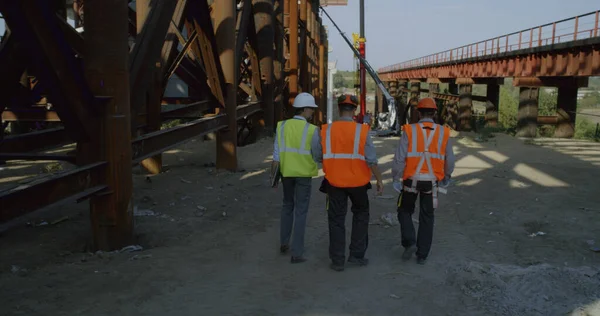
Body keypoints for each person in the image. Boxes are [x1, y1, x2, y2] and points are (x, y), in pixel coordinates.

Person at [314, 94, 384, 272]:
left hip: (334, 182)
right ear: (354, 111)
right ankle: (356, 255)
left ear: (339, 109)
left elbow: (316, 155)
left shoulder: (325, 130)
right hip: (359, 183)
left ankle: (338, 260)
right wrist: (379, 179)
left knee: (336, 220)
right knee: (361, 215)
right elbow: (371, 160)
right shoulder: (363, 130)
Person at [391, 97, 455, 265]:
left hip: (411, 180)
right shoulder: (444, 132)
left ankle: (410, 242)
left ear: (418, 113)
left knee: (404, 211)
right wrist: (447, 177)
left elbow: (399, 157)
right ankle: (422, 255)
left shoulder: (409, 130)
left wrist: (395, 178)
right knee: (427, 216)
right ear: (434, 113)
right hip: (432, 182)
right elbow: (450, 159)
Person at [271, 92, 321, 264]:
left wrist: (274, 178)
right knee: (301, 211)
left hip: (286, 174)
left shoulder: (282, 126)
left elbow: (276, 155)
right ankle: (297, 253)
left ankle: (284, 243)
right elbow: (317, 154)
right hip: (304, 176)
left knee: (287, 206)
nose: (313, 112)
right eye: (311, 109)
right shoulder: (312, 130)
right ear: (305, 109)